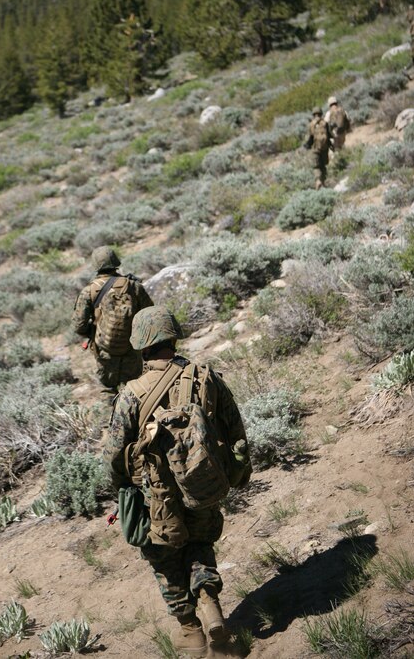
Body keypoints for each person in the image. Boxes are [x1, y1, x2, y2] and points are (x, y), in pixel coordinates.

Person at [104, 307, 251, 657]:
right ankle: (210, 603)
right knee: (200, 544)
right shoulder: (205, 377)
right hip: (203, 484)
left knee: (164, 558)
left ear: (141, 345)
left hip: (155, 496)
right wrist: (237, 472)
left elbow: (113, 454)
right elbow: (236, 431)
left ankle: (191, 631)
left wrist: (123, 488)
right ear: (173, 336)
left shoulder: (131, 393)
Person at [72, 246, 153, 392]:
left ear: (95, 265)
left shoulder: (88, 291)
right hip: (132, 345)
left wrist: (94, 332)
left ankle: (115, 407)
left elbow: (79, 325)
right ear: (116, 262)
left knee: (110, 389)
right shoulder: (133, 286)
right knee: (135, 388)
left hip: (105, 348)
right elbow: (149, 313)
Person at [304, 106, 331, 189]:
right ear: (321, 113)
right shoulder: (325, 123)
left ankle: (318, 180)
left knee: (316, 166)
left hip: (315, 149)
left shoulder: (311, 124)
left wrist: (307, 146)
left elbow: (308, 138)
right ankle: (323, 183)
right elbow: (330, 135)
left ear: (313, 114)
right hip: (324, 148)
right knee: (323, 166)